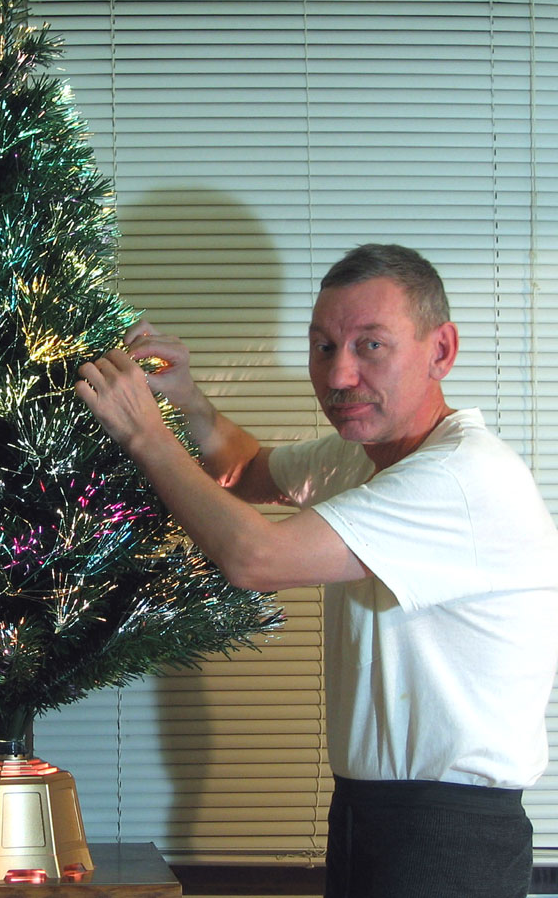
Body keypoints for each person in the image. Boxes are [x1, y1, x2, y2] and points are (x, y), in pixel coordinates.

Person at [75, 243, 558, 898]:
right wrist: (186, 400)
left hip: (449, 836)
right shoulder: (363, 457)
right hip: (369, 814)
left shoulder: (462, 477)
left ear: (440, 350)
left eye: (370, 346)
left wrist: (144, 433)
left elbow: (256, 557)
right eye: (323, 347)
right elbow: (246, 471)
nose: (339, 374)